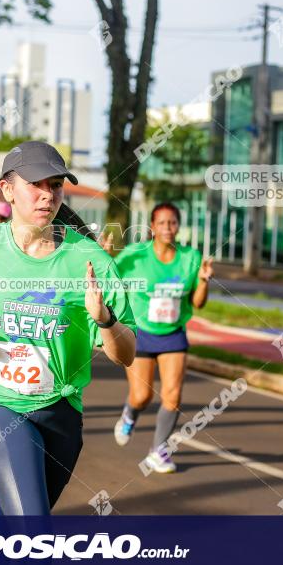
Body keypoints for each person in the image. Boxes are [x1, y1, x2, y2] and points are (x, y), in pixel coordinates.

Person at [0, 141, 136, 515]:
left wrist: (105, 320)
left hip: (61, 412)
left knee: (17, 525)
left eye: (55, 185)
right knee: (31, 526)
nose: (47, 195)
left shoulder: (88, 259)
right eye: (36, 184)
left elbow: (126, 354)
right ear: (7, 189)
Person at [110, 202, 213, 473]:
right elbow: (110, 281)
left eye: (173, 223)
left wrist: (203, 280)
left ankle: (159, 451)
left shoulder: (191, 258)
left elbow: (198, 303)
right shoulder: (134, 256)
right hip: (141, 333)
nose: (168, 228)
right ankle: (130, 414)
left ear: (178, 226)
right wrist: (105, 258)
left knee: (173, 396)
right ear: (153, 227)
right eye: (162, 223)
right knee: (142, 396)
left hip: (173, 334)